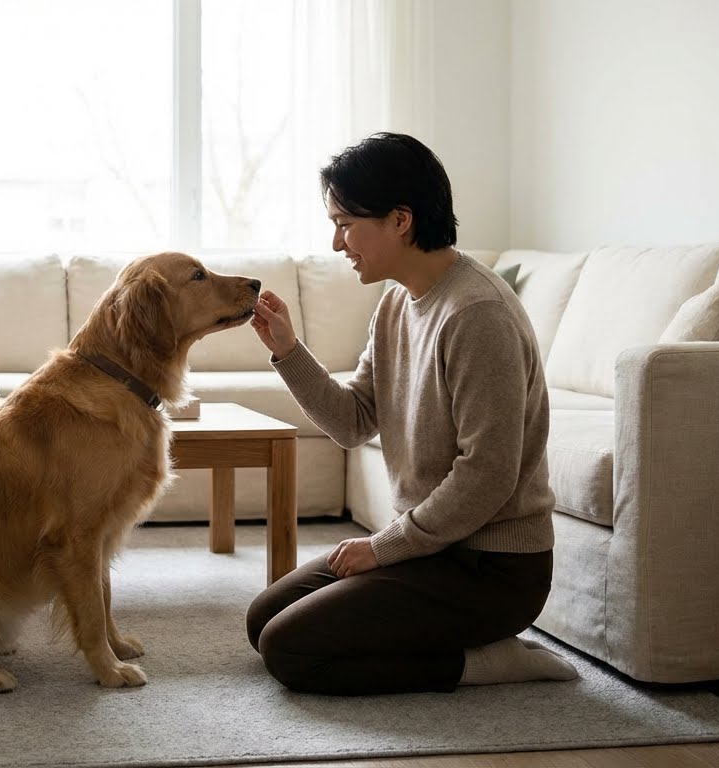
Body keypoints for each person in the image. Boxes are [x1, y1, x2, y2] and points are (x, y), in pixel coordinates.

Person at [245, 132, 578, 695]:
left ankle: (492, 662)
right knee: (263, 621)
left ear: (400, 219)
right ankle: (438, 631)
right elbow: (354, 422)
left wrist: (380, 549)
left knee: (291, 650)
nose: (335, 243)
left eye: (346, 223)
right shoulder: (397, 302)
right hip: (431, 551)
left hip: (490, 569)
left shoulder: (477, 315)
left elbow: (488, 474)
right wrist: (287, 350)